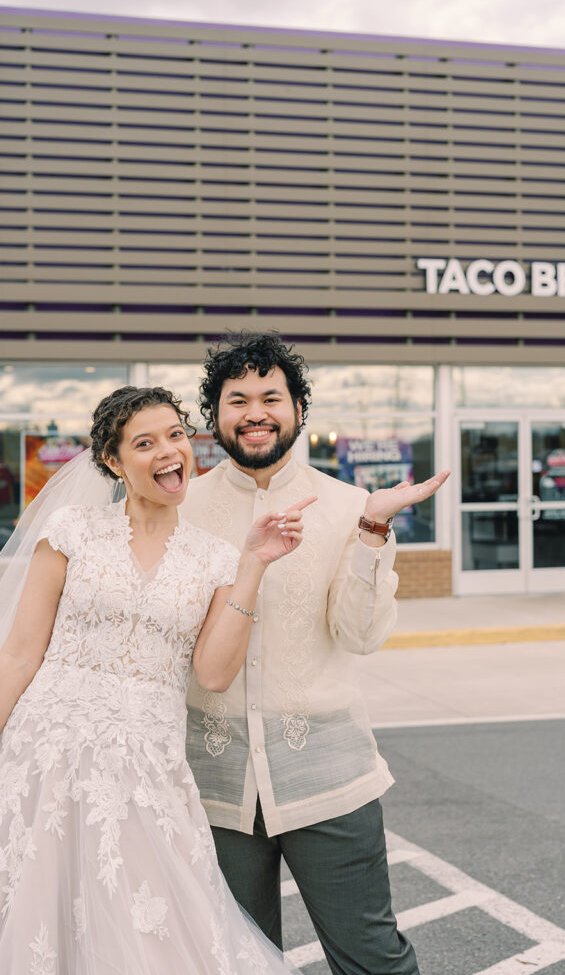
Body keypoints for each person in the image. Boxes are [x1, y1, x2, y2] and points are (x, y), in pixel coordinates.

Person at [0, 384, 313, 975]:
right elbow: (18, 657)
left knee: (152, 929)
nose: (168, 451)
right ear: (113, 461)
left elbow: (212, 672)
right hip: (43, 759)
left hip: (144, 769)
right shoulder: (72, 530)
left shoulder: (214, 558)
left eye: (176, 435)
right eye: (145, 442)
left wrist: (253, 566)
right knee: (30, 923)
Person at [182, 332, 450, 975]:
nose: (255, 412)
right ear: (214, 415)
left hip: (328, 778)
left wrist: (372, 532)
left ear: (298, 410)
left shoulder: (350, 506)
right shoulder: (182, 509)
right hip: (210, 784)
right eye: (237, 398)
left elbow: (360, 636)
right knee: (234, 963)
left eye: (271, 396)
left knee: (372, 960)